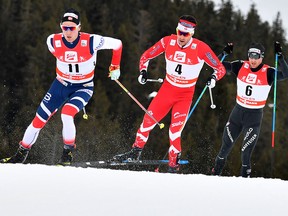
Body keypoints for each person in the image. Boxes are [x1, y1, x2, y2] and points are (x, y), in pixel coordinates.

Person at [0, 8, 122, 165]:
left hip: (83, 87)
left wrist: (115, 66)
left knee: (67, 113)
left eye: (72, 27)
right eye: (65, 27)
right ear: (60, 27)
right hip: (60, 85)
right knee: (38, 120)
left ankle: (67, 154)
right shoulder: (52, 41)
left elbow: (117, 44)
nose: (68, 31)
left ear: (79, 27)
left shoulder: (92, 41)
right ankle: (20, 154)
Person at [112, 15, 226, 173]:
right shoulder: (167, 41)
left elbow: (220, 68)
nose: (181, 36)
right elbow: (146, 56)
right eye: (179, 32)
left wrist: (213, 79)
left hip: (185, 95)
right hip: (167, 90)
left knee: (174, 131)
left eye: (185, 34)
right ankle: (135, 152)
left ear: (191, 33)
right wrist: (143, 72)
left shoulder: (201, 48)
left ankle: (174, 164)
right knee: (147, 122)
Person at [212, 41, 288, 177]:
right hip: (237, 114)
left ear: (262, 57)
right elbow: (216, 65)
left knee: (245, 153)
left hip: (253, 117)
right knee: (225, 148)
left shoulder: (268, 72)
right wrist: (223, 53)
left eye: (256, 57)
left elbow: (286, 74)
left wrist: (280, 57)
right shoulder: (240, 65)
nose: (252, 60)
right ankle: (215, 174)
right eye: (250, 56)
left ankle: (245, 181)